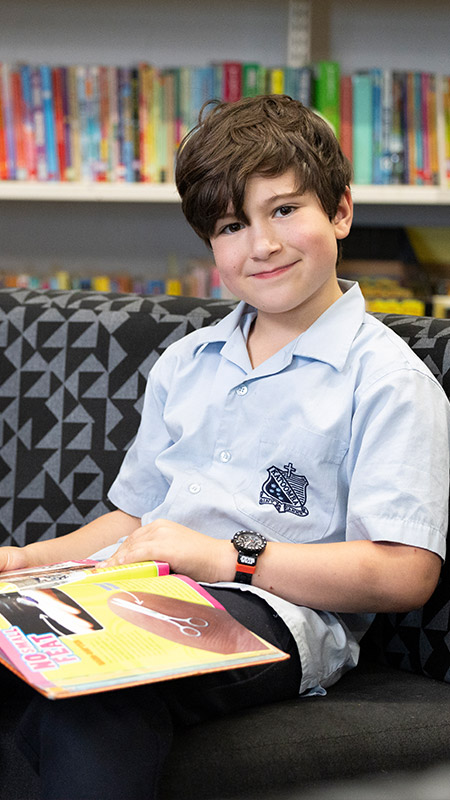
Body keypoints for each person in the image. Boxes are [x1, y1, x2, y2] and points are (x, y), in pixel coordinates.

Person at [2, 94, 450, 800]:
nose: (261, 244)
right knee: (33, 679)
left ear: (340, 211)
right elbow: (136, 518)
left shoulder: (387, 381)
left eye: (285, 210)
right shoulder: (187, 363)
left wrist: (227, 557)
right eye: (233, 225)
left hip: (272, 614)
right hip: (139, 587)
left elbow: (405, 573)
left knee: (102, 693)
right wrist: (26, 562)